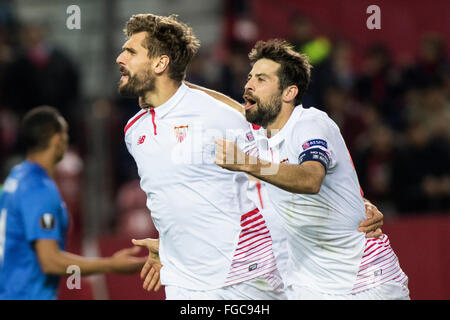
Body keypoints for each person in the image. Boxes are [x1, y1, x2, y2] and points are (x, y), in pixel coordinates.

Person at [116, 14, 383, 299]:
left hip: (243, 277)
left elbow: (288, 160)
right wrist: (168, 245)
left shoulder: (220, 115)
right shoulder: (134, 131)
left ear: (160, 63)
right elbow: (173, 197)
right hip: (183, 280)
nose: (120, 57)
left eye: (131, 51)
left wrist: (358, 204)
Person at [214, 39, 410, 299]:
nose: (248, 85)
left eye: (261, 79)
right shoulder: (259, 138)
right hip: (311, 286)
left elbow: (310, 178)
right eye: (250, 78)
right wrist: (178, 84)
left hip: (366, 281)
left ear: (288, 93)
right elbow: (225, 105)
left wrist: (245, 163)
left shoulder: (310, 123)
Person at [0, 106, 146, 300]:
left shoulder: (15, 178)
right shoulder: (39, 190)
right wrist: (111, 264)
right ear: (56, 138)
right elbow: (50, 261)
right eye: (65, 133)